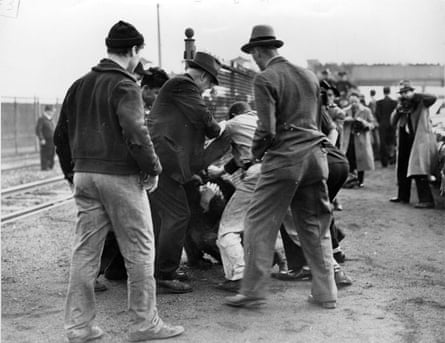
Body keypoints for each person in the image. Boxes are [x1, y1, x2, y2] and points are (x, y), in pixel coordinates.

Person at [53, 20, 184, 342]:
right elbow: (136, 133)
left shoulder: (79, 84)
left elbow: (60, 136)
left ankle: (79, 327)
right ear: (135, 50)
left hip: (85, 176)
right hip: (119, 178)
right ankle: (144, 324)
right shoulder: (125, 86)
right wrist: (152, 169)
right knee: (140, 249)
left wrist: (73, 174)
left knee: (85, 253)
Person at [225, 25, 337, 309]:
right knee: (315, 227)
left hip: (285, 160)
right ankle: (326, 293)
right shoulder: (308, 75)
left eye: (254, 55)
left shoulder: (265, 78)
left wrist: (254, 155)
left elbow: (267, 129)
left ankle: (251, 290)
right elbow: (317, 120)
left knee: (257, 223)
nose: (255, 60)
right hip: (316, 156)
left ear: (259, 52)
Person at [148, 51, 231, 293]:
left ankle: (161, 270)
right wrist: (219, 129)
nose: (207, 91)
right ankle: (164, 275)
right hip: (165, 161)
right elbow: (203, 118)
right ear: (204, 77)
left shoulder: (178, 89)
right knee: (177, 215)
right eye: (209, 85)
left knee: (165, 217)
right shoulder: (184, 84)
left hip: (165, 161)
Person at [389, 80, 437, 208]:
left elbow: (433, 98)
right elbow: (392, 122)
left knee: (419, 170)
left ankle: (427, 200)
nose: (404, 95)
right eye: (402, 93)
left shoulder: (421, 102)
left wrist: (415, 96)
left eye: (406, 92)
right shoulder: (402, 106)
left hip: (419, 140)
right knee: (402, 168)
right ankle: (403, 196)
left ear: (412, 92)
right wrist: (398, 111)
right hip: (405, 139)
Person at [341, 91, 375, 188]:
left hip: (361, 139)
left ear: (359, 100)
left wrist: (364, 123)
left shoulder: (366, 111)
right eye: (351, 102)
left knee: (360, 160)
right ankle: (350, 179)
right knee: (349, 158)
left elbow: (373, 124)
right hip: (348, 139)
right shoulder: (344, 111)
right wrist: (346, 120)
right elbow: (338, 122)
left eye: (355, 101)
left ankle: (360, 181)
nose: (353, 104)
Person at [375, 86, 398, 167]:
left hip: (383, 124)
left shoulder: (379, 102)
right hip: (392, 125)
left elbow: (377, 114)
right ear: (389, 92)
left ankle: (384, 162)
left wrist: (381, 121)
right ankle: (392, 159)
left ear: (383, 92)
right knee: (392, 142)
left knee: (383, 143)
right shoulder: (394, 102)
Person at [35, 104, 56, 170]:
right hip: (45, 140)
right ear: (48, 111)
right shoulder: (42, 119)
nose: (53, 113)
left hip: (52, 139)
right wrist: (42, 139)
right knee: (45, 153)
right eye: (52, 111)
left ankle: (50, 166)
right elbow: (38, 130)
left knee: (52, 153)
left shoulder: (51, 119)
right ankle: (44, 167)